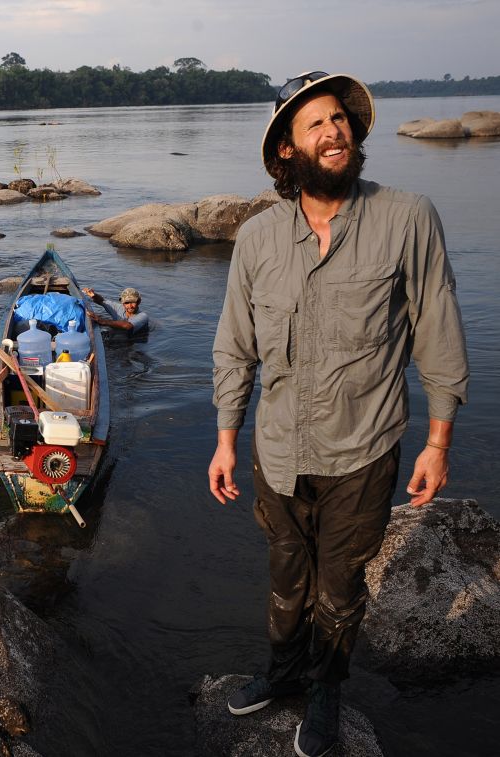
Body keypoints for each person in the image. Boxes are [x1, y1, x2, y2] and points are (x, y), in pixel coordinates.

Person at [208, 71, 468, 757]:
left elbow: (438, 327)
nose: (335, 130)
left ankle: (325, 691)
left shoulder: (407, 216)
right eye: (316, 123)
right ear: (286, 151)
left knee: (340, 586)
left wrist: (438, 440)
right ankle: (284, 671)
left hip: (362, 452)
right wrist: (225, 439)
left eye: (340, 119)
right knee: (286, 572)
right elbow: (235, 346)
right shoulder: (259, 240)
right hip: (278, 451)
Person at [81, 286, 149, 332]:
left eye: (133, 302)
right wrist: (94, 295)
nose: (130, 306)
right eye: (127, 303)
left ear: (139, 302)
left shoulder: (143, 316)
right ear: (122, 303)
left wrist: (102, 321)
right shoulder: (119, 308)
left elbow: (128, 326)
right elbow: (101, 301)